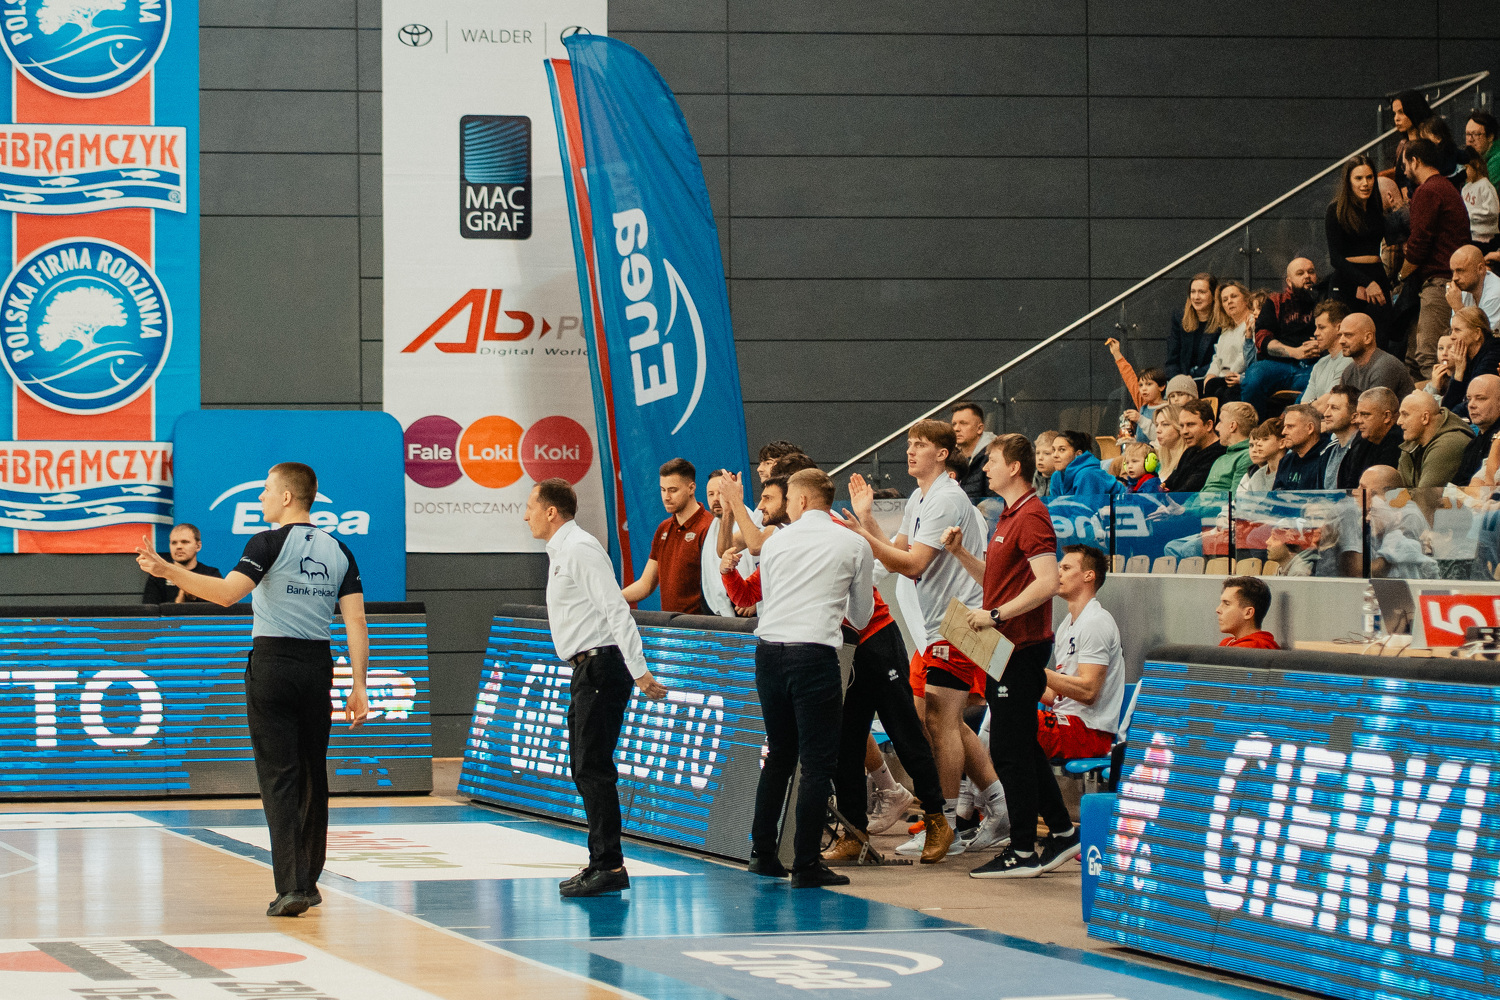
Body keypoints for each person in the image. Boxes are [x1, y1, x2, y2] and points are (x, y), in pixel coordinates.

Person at [134, 463, 368, 917]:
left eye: (265, 490)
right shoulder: (340, 550)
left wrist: (169, 571)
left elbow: (226, 594)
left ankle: (291, 887)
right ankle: (309, 882)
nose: (261, 497)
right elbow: (355, 621)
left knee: (279, 777)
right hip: (318, 666)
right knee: (312, 774)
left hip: (274, 664)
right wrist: (359, 684)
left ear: (286, 497)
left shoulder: (267, 543)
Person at [718, 526, 948, 871]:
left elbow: (863, 607)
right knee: (845, 743)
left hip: (874, 638)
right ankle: (855, 832)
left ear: (798, 502)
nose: (762, 507)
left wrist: (735, 503)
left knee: (904, 731)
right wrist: (728, 572)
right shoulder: (784, 546)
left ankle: (936, 818)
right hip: (837, 649)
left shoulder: (833, 536)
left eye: (768, 500)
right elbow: (747, 594)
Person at [842, 420, 989, 863]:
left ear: (942, 454)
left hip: (962, 622)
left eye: (920, 445)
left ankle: (946, 822)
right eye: (908, 443)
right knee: (933, 720)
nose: (910, 451)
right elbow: (896, 553)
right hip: (937, 626)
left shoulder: (945, 498)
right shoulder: (921, 497)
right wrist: (869, 521)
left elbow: (912, 564)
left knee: (941, 721)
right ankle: (991, 803)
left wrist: (863, 536)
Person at [519, 478, 669, 897]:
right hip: (587, 669)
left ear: (551, 511)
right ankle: (600, 861)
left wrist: (639, 670)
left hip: (602, 667)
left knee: (593, 767)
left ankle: (610, 866)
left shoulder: (580, 548)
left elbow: (615, 608)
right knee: (584, 767)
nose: (525, 516)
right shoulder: (562, 551)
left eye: (530, 507)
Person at [936, 434, 1074, 879]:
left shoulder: (1031, 515)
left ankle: (1023, 850)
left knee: (1010, 751)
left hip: (1021, 648)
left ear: (1014, 467)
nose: (985, 468)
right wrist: (960, 554)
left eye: (992, 460)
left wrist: (995, 615)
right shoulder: (1009, 516)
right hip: (1007, 646)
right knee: (1021, 745)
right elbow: (999, 583)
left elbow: (1048, 582)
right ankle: (1061, 831)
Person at [747, 469, 875, 888]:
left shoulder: (775, 542)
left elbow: (769, 599)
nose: (784, 506)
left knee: (779, 755)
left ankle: (762, 854)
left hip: (769, 652)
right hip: (813, 654)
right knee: (817, 764)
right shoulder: (853, 543)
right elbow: (861, 616)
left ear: (800, 501)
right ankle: (805, 864)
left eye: (786, 500)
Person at [1041, 545, 1125, 760]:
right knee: (1001, 709)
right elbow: (1053, 696)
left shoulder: (1096, 621)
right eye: (1059, 567)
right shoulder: (1066, 625)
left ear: (1088, 575)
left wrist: (1034, 671)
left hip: (1089, 731)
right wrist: (1012, 675)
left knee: (1010, 722)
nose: (1058, 573)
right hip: (1066, 723)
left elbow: (1088, 692)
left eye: (1066, 568)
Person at [1400, 138, 1471, 378]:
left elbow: (1419, 243)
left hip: (1439, 282)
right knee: (1413, 360)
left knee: (1429, 356)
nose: (1404, 171)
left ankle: (1439, 400)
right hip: (1441, 282)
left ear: (1415, 161)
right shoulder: (1446, 188)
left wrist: (1401, 274)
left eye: (1405, 165)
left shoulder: (1428, 191)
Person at [621, 458, 715, 614]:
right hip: (669, 625)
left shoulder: (709, 527)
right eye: (663, 490)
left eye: (673, 490)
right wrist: (612, 598)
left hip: (701, 625)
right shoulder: (663, 529)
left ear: (691, 488)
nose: (666, 496)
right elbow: (646, 584)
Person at [1241, 258, 1326, 414]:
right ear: (1289, 281)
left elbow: (1335, 332)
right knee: (1253, 377)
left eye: (1311, 272)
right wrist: (1295, 352)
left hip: (1313, 365)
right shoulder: (1275, 301)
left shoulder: (1324, 300)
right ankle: (1256, 426)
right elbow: (1262, 339)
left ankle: (1291, 424)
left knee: (1320, 383)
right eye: (1300, 273)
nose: (1307, 276)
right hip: (1277, 364)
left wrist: (1321, 345)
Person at [1326, 156, 1389, 326]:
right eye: (1359, 178)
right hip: (1348, 278)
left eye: (1369, 177)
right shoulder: (1336, 210)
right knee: (1347, 331)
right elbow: (1335, 258)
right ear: (1349, 181)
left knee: (1381, 332)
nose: (1365, 183)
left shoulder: (1376, 207)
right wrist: (1367, 282)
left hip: (1377, 273)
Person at [1430, 306, 1500, 418]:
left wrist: (1446, 418)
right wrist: (1458, 372)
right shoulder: (1467, 358)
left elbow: (1471, 404)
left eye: (1457, 330)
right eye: (1451, 330)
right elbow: (1448, 406)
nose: (1452, 337)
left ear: (1477, 334)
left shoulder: (1493, 356)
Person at [1397, 390, 1475, 488]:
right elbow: (1399, 490)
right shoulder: (1413, 441)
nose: (1399, 422)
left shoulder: (1448, 445)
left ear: (1425, 418)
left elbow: (1425, 495)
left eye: (1405, 414)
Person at [1337, 311, 1416, 399]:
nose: (1341, 341)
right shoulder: (1348, 371)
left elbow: (1374, 407)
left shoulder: (1385, 366)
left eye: (1348, 335)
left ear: (1368, 338)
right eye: (1340, 335)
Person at [1336, 387, 1404, 489]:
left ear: (1387, 416)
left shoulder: (1399, 443)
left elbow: (1380, 489)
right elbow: (1349, 485)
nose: (1358, 420)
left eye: (1365, 415)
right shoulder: (1363, 441)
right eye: (1358, 414)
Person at [1203, 280, 1257, 403]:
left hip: (1240, 376)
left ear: (1246, 299)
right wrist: (1210, 375)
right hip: (1223, 377)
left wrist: (1228, 374)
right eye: (1225, 300)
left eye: (1234, 296)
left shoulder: (1252, 323)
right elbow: (1217, 358)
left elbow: (1245, 354)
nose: (1229, 302)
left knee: (1218, 389)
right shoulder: (1226, 331)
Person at [141, 523, 222, 603]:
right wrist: (179, 600)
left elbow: (220, 607)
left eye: (185, 542)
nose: (178, 546)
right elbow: (149, 609)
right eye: (174, 543)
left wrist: (195, 595)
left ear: (198, 546)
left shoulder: (211, 574)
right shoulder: (158, 576)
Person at [1165, 272, 1221, 381]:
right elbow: (1172, 359)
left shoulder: (1222, 323)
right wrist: (1177, 380)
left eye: (1202, 292)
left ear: (1214, 295)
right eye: (1193, 292)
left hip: (1208, 379)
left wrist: (1192, 377)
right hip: (1181, 381)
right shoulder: (1179, 318)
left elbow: (1220, 360)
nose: (1196, 297)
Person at [1162, 400, 1226, 492]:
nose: (1184, 431)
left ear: (1209, 425)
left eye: (1190, 425)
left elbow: (1188, 491)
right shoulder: (1189, 452)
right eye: (1181, 426)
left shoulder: (1219, 454)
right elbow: (1171, 481)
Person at [699, 470, 739, 617]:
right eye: (711, 494)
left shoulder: (750, 522)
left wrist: (754, 600)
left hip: (745, 608)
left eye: (720, 493)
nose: (715, 499)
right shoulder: (711, 528)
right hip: (719, 614)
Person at [1300, 300, 1354, 406]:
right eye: (1316, 327)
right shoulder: (1320, 363)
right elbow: (1304, 404)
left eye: (1321, 327)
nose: (1316, 333)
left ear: (1339, 328)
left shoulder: (1348, 361)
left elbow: (1327, 403)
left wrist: (1310, 406)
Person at [1272, 404, 1332, 490]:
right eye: (1285, 427)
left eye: (1290, 426)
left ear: (1310, 428)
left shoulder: (1329, 456)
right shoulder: (1286, 461)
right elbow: (1274, 496)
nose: (1283, 432)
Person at [1455, 374, 1500, 485]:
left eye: (1480, 398)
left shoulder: (1497, 440)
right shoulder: (1473, 445)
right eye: (1468, 399)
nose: (1471, 405)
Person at [1204, 401, 1257, 494]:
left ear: (1232, 426)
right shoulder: (1221, 459)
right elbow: (1202, 493)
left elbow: (1236, 498)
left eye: (1220, 421)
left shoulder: (1247, 456)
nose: (1216, 427)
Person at [1049, 431, 1124, 496]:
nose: (1055, 455)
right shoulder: (1056, 476)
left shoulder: (1087, 474)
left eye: (1062, 450)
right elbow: (1055, 506)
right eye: (1053, 450)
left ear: (1078, 454)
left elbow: (1088, 507)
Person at [1391, 90, 1435, 198]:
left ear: (1413, 111)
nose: (1396, 118)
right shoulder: (1402, 145)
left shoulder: (1430, 144)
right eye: (1395, 113)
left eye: (1401, 112)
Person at [1444, 244, 1500, 330]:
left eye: (1460, 271)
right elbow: (1456, 331)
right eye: (1453, 271)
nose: (1454, 278)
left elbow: (1484, 336)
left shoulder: (1495, 293)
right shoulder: (1463, 289)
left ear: (1480, 269)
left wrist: (1458, 307)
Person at [1216, 576, 1280, 649]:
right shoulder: (1228, 642)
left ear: (1248, 613)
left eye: (1227, 604)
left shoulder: (1252, 647)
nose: (1218, 610)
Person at [951, 401, 997, 501]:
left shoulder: (993, 456)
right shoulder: (950, 457)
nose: (956, 429)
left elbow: (995, 503)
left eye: (963, 423)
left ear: (979, 429)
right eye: (954, 424)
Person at [1319, 386, 1360, 488]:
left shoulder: (1362, 450)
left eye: (1334, 408)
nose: (1326, 414)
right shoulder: (1328, 451)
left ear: (1354, 417)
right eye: (1327, 407)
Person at [1461, 147, 1500, 252]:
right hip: (1470, 235)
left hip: (1486, 238)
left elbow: (1492, 210)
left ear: (1476, 164)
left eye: (1465, 168)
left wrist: (1470, 215)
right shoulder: (1466, 188)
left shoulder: (1485, 186)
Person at [1238, 418, 1285, 492]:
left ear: (1282, 443)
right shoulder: (1257, 476)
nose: (1259, 443)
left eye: (1265, 439)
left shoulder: (1291, 473)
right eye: (1259, 439)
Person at [1465, 109, 1500, 189]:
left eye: (1476, 134)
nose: (1470, 139)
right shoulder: (1474, 159)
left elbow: (1478, 192)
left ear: (1490, 137)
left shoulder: (1498, 161)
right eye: (1468, 134)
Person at [1153, 404, 1187, 484]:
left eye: (1165, 424)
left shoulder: (1187, 464)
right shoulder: (1159, 465)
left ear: (1179, 426)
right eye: (1157, 425)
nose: (1158, 430)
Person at [1032, 430, 1059, 497]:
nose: (1040, 458)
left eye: (1046, 453)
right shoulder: (1030, 481)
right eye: (1037, 453)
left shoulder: (1062, 482)